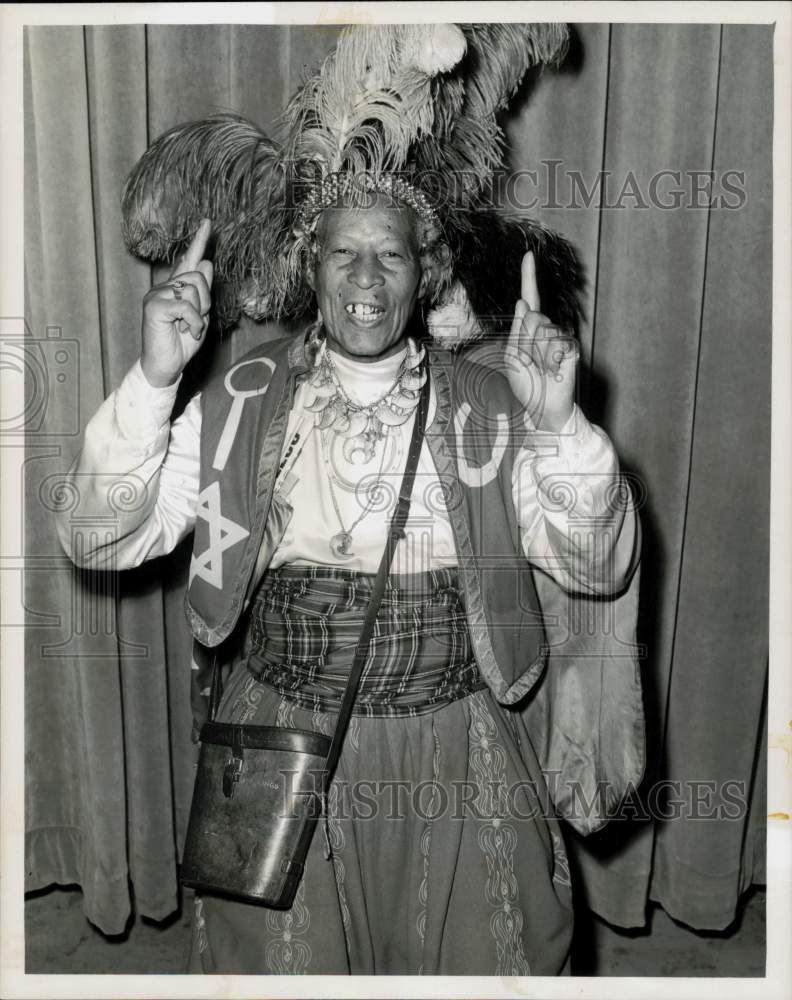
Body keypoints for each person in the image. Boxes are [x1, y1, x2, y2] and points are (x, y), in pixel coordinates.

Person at [56, 23, 641, 976]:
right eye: (342, 254)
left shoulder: (493, 401)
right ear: (310, 266)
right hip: (278, 738)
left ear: (426, 275)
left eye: (392, 256)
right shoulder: (238, 399)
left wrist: (561, 427)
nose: (366, 278)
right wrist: (154, 381)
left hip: (461, 749)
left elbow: (598, 562)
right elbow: (94, 536)